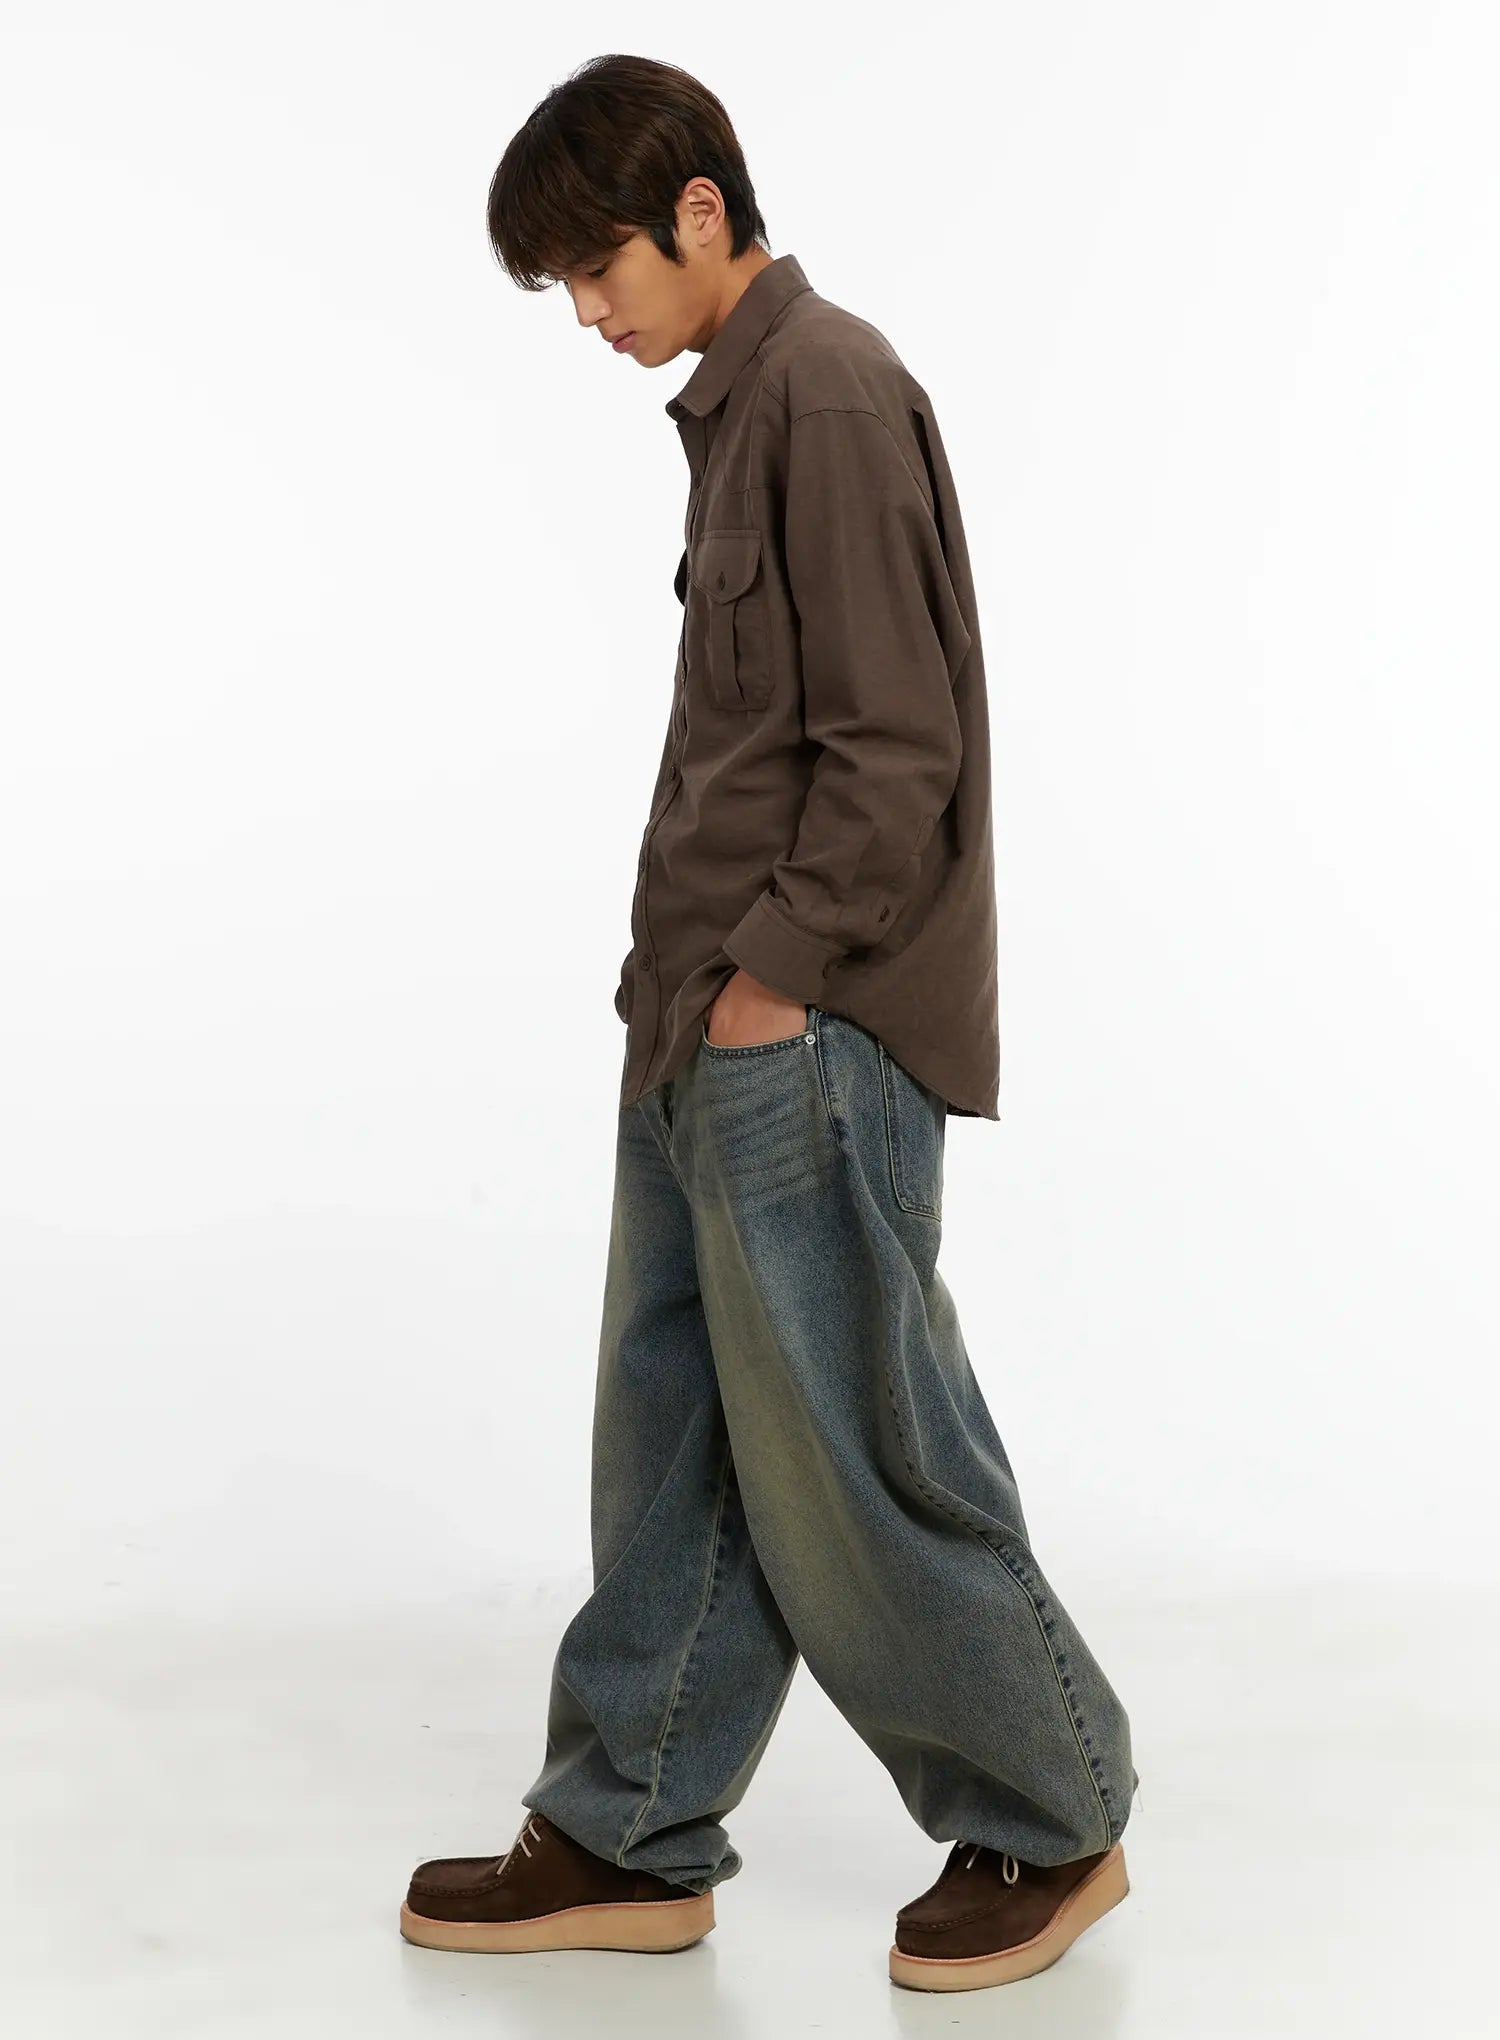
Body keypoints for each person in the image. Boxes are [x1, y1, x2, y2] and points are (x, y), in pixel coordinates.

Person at [399, 53, 1138, 1994]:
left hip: (807, 1031)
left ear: (702, 211)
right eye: (562, 283)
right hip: (703, 1023)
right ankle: (627, 1827)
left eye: (596, 267)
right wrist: (690, 995)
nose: (586, 313)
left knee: (857, 1448)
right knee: (680, 1440)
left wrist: (775, 980)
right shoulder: (740, 410)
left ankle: (1054, 1814)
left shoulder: (828, 392)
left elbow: (898, 745)